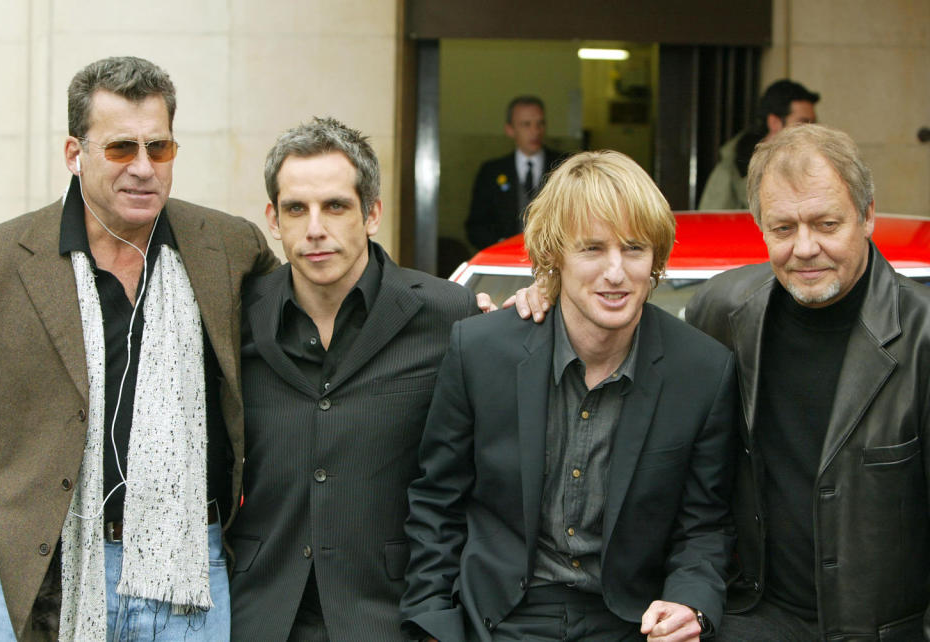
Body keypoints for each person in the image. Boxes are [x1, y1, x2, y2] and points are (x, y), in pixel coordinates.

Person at [0, 56, 279, 641]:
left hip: (193, 572)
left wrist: (479, 318)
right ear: (73, 154)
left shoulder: (229, 248)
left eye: (158, 148)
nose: (143, 168)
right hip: (46, 575)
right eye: (120, 149)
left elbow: (310, 330)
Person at [402, 150, 738, 641]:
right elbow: (437, 502)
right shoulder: (481, 351)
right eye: (592, 249)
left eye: (634, 248)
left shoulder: (702, 370)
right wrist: (433, 623)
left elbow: (704, 526)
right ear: (554, 256)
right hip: (497, 618)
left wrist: (690, 604)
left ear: (656, 259)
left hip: (631, 623)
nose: (616, 272)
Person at [228, 117, 481, 641]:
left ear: (372, 213)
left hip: (391, 615)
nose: (315, 228)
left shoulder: (449, 315)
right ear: (273, 219)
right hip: (261, 615)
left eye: (335, 206)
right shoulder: (236, 316)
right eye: (297, 209)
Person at [686, 123, 930, 640]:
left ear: (866, 218)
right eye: (782, 228)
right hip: (753, 621)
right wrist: (536, 305)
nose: (804, 248)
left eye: (825, 224)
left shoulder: (924, 336)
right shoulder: (721, 311)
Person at [698, 79, 818, 211]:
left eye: (813, 123)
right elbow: (709, 223)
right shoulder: (732, 170)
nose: (811, 130)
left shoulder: (813, 164)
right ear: (774, 122)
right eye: (803, 122)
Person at [465, 95, 564, 249]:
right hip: (505, 262)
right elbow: (476, 226)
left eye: (540, 123)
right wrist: (500, 247)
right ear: (510, 130)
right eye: (526, 124)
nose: (535, 131)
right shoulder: (491, 171)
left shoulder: (563, 166)